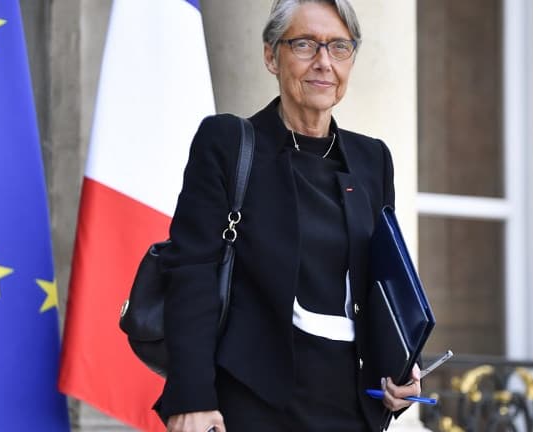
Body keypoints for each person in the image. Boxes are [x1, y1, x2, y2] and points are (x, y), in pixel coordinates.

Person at [157, 0, 422, 431]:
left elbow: (382, 282)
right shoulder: (227, 143)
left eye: (339, 47)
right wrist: (191, 398)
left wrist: (400, 363)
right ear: (270, 55)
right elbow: (193, 272)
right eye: (304, 45)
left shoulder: (372, 159)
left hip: (350, 411)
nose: (323, 63)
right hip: (253, 406)